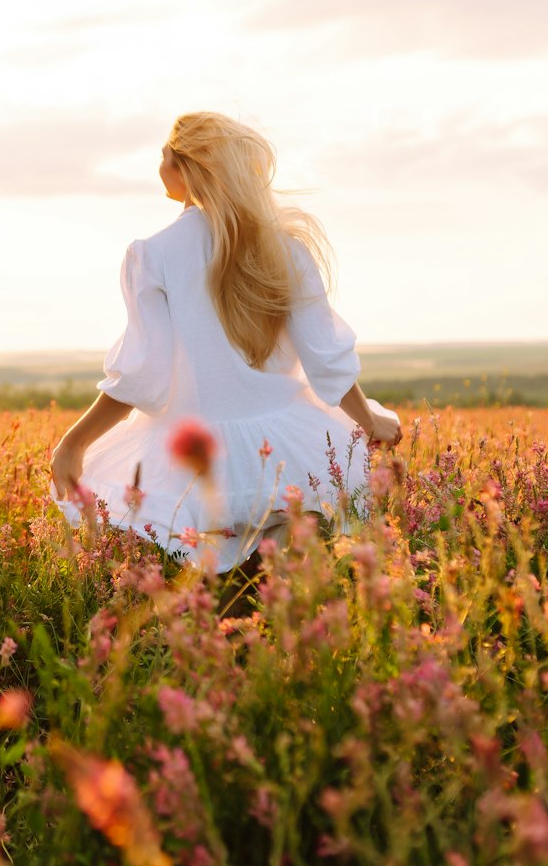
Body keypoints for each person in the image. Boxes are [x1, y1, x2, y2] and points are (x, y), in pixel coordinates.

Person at [49, 112, 401, 571]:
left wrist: (75, 443)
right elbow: (324, 356)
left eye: (165, 157)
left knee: (216, 585)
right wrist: (367, 419)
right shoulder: (286, 246)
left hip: (193, 450)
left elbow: (142, 379)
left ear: (187, 168)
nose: (159, 168)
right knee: (284, 578)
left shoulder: (152, 254)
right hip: (288, 441)